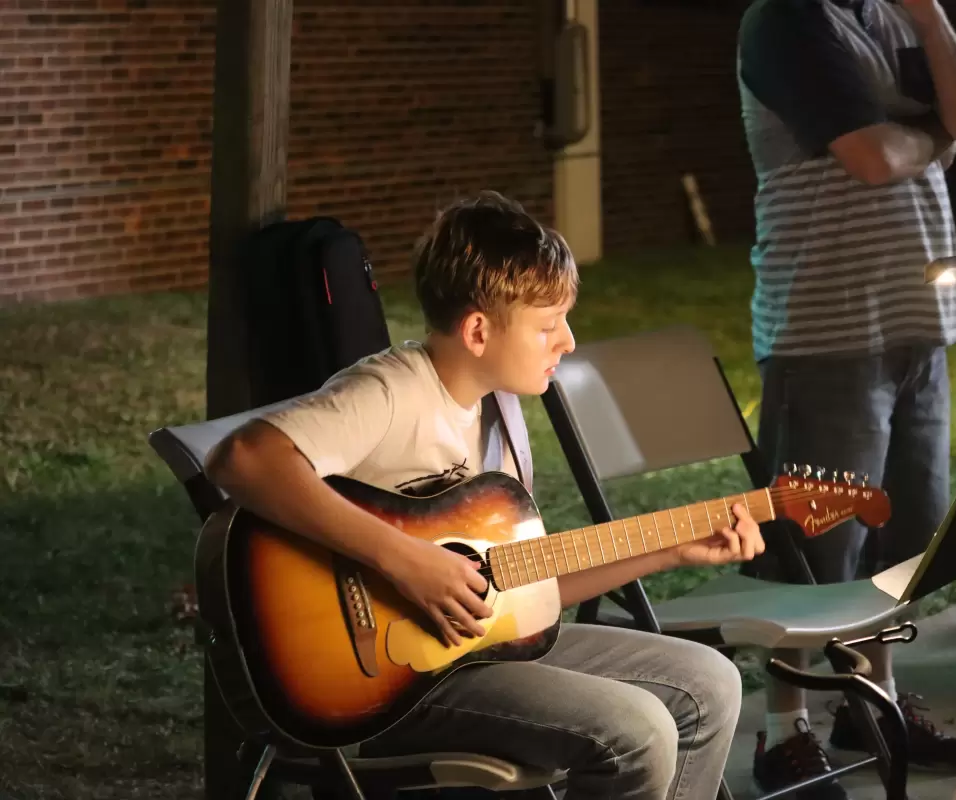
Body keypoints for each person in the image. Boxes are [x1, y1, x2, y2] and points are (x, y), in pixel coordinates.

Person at [203, 190, 765, 800]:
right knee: (640, 730)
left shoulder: (502, 415)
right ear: (477, 330)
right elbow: (244, 458)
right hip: (389, 684)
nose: (568, 341)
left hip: (479, 655)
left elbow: (523, 593)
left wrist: (671, 551)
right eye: (548, 325)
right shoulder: (390, 392)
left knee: (710, 683)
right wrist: (405, 560)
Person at [735, 0, 956, 797]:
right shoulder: (787, 22)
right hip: (827, 331)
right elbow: (872, 157)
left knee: (905, 538)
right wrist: (934, 137)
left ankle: (873, 703)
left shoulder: (896, 18)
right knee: (815, 549)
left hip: (918, 327)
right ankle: (784, 729)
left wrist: (932, 21)